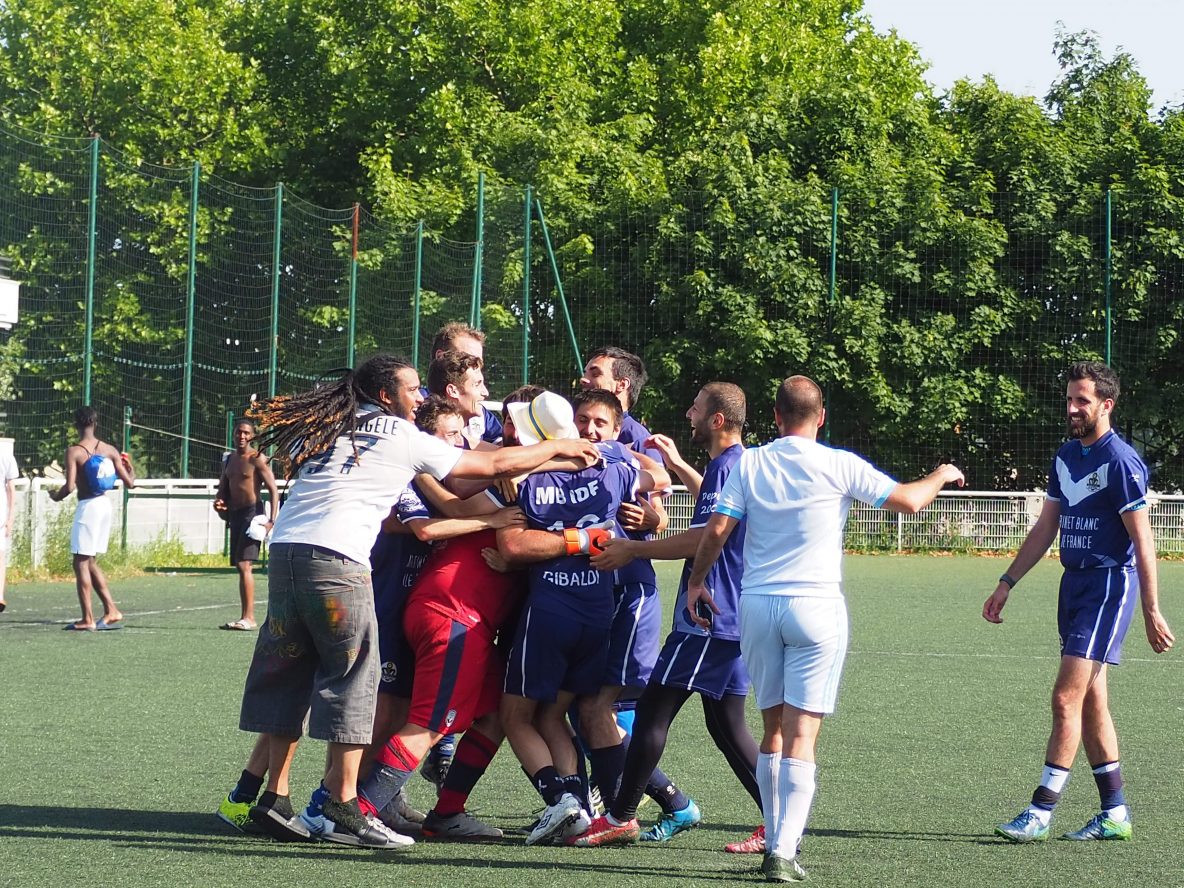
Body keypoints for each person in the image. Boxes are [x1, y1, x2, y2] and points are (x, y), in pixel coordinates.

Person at [232, 354, 597, 849]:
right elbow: (486, 468)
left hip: (286, 556)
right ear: (386, 396)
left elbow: (461, 490)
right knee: (355, 686)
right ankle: (342, 805)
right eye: (413, 388)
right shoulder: (399, 433)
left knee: (290, 677)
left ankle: (273, 797)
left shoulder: (339, 426)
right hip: (342, 565)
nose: (422, 396)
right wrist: (562, 447)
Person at [685, 376, 964, 882]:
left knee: (772, 730)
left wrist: (696, 582)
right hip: (815, 607)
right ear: (821, 417)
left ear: (775, 417)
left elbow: (718, 530)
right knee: (803, 734)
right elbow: (908, 501)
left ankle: (774, 840)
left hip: (758, 605)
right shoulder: (840, 464)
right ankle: (782, 851)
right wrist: (941, 474)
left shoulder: (750, 462)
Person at [985, 361, 1174, 844]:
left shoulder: (1121, 461)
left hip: (1108, 587)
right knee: (1091, 703)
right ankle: (1116, 813)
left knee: (1065, 697)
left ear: (1106, 405)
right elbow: (1046, 526)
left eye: (1082, 401)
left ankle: (1040, 811)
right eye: (1069, 399)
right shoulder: (1067, 455)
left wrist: (1151, 609)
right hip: (1073, 586)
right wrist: (1007, 581)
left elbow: (1143, 542)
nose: (1072, 408)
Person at [573, 383, 765, 852]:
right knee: (727, 726)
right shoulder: (736, 464)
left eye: (696, 408)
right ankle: (781, 822)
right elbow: (717, 515)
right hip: (731, 614)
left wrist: (632, 549)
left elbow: (705, 536)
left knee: (654, 711)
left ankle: (619, 816)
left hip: (708, 616)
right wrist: (678, 464)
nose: (688, 414)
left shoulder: (727, 466)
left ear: (717, 420)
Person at [492, 391, 669, 846]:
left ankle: (562, 801)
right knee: (555, 716)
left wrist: (531, 467)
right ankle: (595, 814)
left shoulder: (524, 479)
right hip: (597, 614)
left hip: (550, 612)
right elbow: (655, 476)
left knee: (515, 716)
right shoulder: (614, 467)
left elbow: (512, 548)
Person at [49, 406, 136, 631]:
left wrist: (55, 496)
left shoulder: (74, 451)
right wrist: (131, 468)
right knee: (90, 561)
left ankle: (87, 618)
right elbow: (130, 482)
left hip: (88, 506)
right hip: (105, 505)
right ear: (96, 423)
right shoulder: (110, 449)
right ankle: (112, 610)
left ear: (76, 425)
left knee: (80, 561)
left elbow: (69, 486)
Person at [213, 419, 279, 631]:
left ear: (252, 436)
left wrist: (271, 521)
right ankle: (245, 616)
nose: (242, 436)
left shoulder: (257, 458)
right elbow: (223, 489)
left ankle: (249, 618)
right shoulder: (229, 460)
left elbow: (273, 490)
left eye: (246, 433)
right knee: (240, 565)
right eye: (238, 432)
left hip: (253, 515)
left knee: (244, 564)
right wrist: (219, 504)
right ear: (234, 434)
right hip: (235, 515)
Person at [428, 322, 503, 445]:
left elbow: (502, 448)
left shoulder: (479, 413)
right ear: (441, 357)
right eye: (467, 358)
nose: (474, 364)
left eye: (479, 362)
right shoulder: (418, 408)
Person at [0, 443, 17, 613]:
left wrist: (10, 517)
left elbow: (11, 487)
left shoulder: (4, 453)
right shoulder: (4, 452)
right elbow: (11, 488)